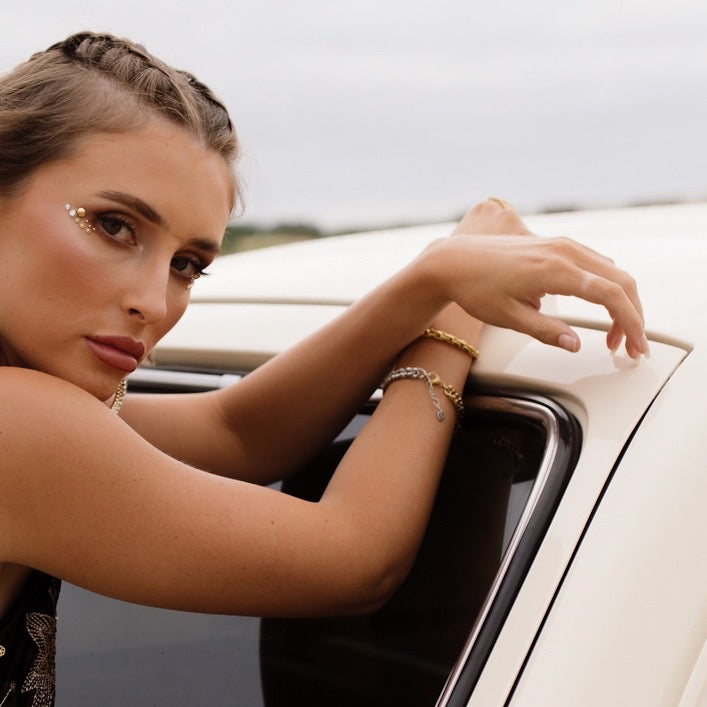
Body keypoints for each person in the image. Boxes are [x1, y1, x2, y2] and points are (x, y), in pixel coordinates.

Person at [0, 31, 647, 706]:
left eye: (187, 265)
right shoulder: (18, 424)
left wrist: (431, 280)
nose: (154, 302)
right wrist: (454, 318)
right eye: (113, 225)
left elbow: (236, 432)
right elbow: (353, 559)